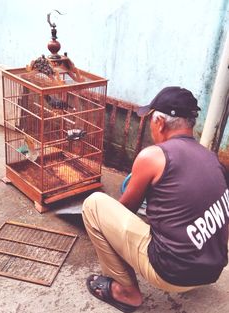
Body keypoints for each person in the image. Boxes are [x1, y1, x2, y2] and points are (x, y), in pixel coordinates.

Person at [82, 86, 229, 313]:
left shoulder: (153, 156)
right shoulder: (212, 159)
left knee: (94, 204)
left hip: (172, 273)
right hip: (210, 271)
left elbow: (126, 209)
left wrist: (106, 228)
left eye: (150, 119)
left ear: (159, 122)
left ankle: (128, 293)